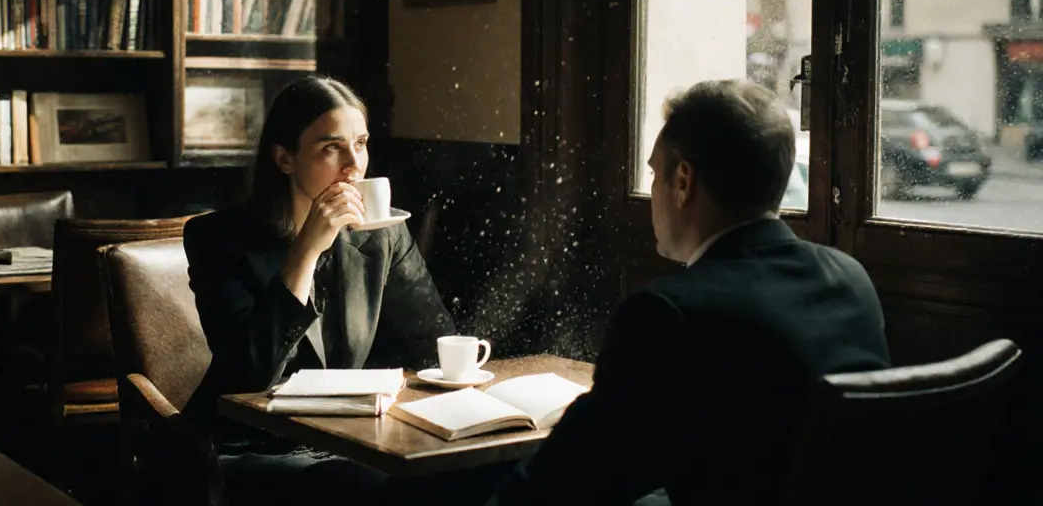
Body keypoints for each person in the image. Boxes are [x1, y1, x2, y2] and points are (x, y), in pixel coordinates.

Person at [486, 79, 892, 506]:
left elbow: (563, 481)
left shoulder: (667, 314)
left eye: (652, 174)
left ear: (683, 181)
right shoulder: (850, 279)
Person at [184, 75, 456, 506]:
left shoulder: (382, 236)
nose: (354, 164)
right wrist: (305, 251)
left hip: (347, 442)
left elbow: (429, 349)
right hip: (248, 448)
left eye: (361, 143)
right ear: (284, 159)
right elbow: (246, 376)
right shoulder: (217, 238)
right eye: (332, 148)